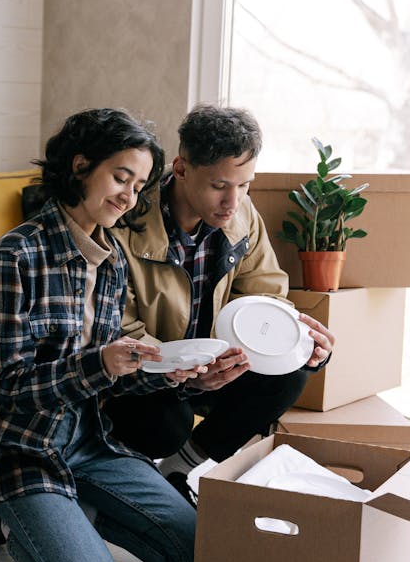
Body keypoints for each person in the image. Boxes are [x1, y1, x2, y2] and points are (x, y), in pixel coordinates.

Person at [0, 108, 202, 562]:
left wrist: (156, 373)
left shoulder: (109, 261)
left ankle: (73, 512)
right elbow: (4, 388)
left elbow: (105, 377)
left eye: (139, 184)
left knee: (202, 556)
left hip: (92, 442)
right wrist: (100, 363)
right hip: (23, 448)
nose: (129, 195)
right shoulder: (12, 258)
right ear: (81, 165)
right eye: (120, 177)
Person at [102, 104, 336, 504]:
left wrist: (294, 342)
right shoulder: (126, 225)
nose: (234, 201)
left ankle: (180, 467)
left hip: (215, 367)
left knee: (292, 372)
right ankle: (118, 479)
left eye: (245, 185)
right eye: (220, 186)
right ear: (180, 169)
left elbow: (265, 296)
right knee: (166, 424)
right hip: (146, 376)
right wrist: (186, 373)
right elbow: (118, 331)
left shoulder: (242, 215)